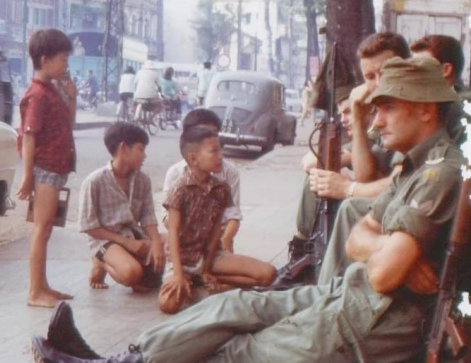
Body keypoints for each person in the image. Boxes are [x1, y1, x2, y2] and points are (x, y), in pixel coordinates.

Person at [32, 55, 464, 363]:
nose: (375, 122)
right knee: (235, 306)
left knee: (232, 351)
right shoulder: (415, 166)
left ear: (425, 110)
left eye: (388, 107)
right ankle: (121, 359)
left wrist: (385, 254)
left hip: (368, 323)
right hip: (348, 298)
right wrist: (387, 249)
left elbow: (384, 272)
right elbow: (357, 238)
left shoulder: (438, 174)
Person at [268, 32, 412, 290]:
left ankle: (322, 287)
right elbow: (369, 175)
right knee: (322, 181)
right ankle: (307, 257)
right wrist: (356, 117)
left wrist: (347, 188)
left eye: (386, 72)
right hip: (397, 214)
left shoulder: (410, 112)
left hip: (408, 218)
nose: (378, 84)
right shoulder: (387, 113)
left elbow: (401, 184)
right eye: (370, 77)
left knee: (348, 205)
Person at [159, 127, 275, 314]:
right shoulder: (179, 189)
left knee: (267, 274)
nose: (221, 155)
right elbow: (172, 232)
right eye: (214, 151)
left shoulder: (221, 188)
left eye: (220, 149)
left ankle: (208, 284)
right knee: (168, 305)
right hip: (182, 259)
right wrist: (179, 275)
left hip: (211, 257)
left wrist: (206, 268)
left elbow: (215, 231)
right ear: (193, 159)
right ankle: (205, 288)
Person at [16, 28, 77, 308]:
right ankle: (34, 291)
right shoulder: (38, 95)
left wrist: (72, 97)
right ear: (45, 59)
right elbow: (29, 136)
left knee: (47, 229)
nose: (66, 65)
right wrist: (28, 177)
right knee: (41, 229)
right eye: (62, 59)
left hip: (55, 166)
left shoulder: (52, 90)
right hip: (44, 170)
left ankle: (43, 286)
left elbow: (67, 124)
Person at [78, 122, 165, 292]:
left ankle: (138, 270)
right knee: (131, 273)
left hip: (134, 235)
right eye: (141, 149)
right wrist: (127, 244)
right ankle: (101, 262)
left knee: (171, 247)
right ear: (124, 148)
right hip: (106, 240)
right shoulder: (94, 181)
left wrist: (155, 243)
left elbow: (148, 217)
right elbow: (89, 227)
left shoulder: (143, 180)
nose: (144, 155)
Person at [162, 109, 241, 253]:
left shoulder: (229, 173)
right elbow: (168, 220)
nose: (210, 138)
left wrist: (224, 240)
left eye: (214, 133)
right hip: (186, 245)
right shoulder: (176, 175)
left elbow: (233, 215)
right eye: (204, 133)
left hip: (219, 241)